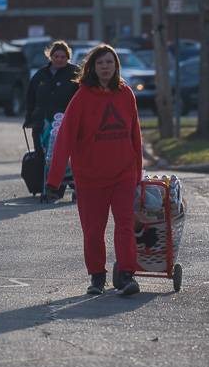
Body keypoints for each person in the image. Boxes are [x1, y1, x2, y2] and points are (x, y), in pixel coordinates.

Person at [46, 44, 144, 296]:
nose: (105, 67)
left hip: (123, 172)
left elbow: (135, 134)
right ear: (92, 67)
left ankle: (126, 275)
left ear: (116, 66)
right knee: (93, 229)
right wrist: (54, 178)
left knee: (124, 224)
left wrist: (138, 172)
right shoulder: (82, 98)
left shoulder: (126, 94)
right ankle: (97, 277)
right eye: (100, 63)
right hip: (90, 177)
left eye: (110, 62)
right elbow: (65, 137)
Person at [23, 41, 81, 153]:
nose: (59, 59)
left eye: (63, 57)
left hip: (65, 124)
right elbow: (30, 97)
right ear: (50, 56)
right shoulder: (40, 74)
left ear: (68, 58)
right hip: (41, 123)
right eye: (56, 56)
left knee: (60, 156)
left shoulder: (76, 73)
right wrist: (29, 118)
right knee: (40, 156)